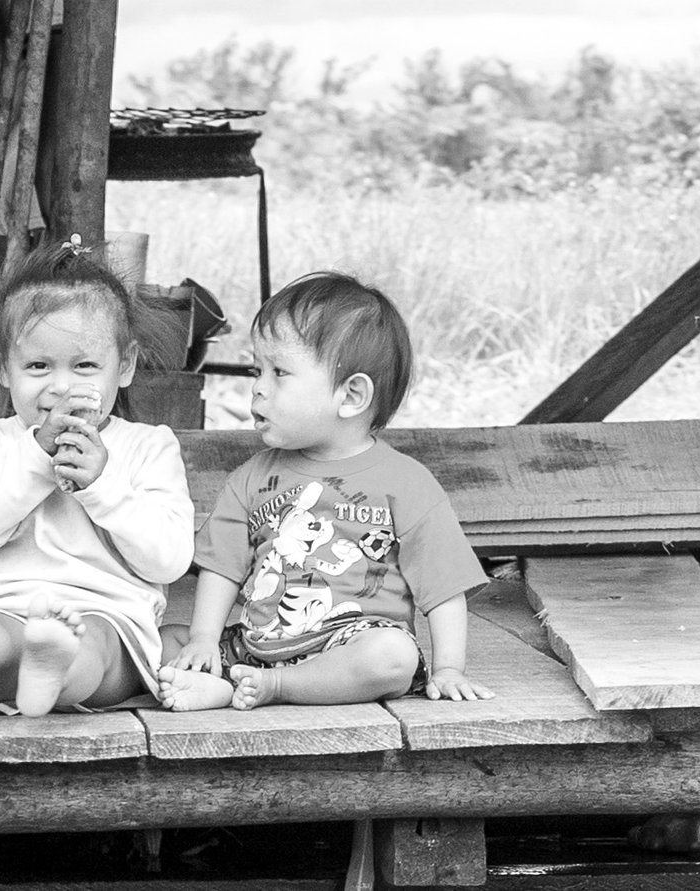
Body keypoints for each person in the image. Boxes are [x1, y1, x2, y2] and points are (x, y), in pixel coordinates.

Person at [160, 273, 493, 711]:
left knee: (394, 656)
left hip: (349, 644)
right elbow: (221, 568)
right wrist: (203, 641)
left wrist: (449, 667)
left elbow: (443, 587)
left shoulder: (407, 483)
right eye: (255, 370)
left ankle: (274, 687)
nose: (258, 386)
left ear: (351, 395)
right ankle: (225, 682)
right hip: (255, 643)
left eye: (279, 372)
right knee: (161, 639)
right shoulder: (249, 478)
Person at [0, 236, 194, 718]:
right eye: (38, 366)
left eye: (84, 366)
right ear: (3, 367)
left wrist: (104, 486)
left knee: (92, 644)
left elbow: (169, 561)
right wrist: (36, 457)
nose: (60, 385)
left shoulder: (147, 447)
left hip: (108, 622)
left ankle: (53, 669)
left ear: (125, 366)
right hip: (4, 609)